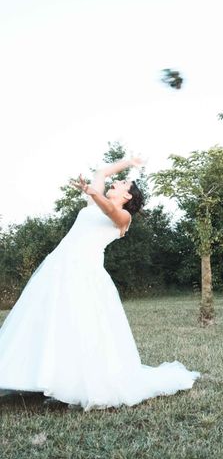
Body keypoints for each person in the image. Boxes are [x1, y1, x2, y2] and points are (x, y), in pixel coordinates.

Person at [0, 158, 199, 410]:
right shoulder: (94, 200)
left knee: (79, 324)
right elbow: (101, 171)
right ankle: (42, 378)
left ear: (127, 196)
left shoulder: (124, 217)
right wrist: (129, 161)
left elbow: (110, 212)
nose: (117, 181)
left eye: (123, 182)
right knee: (48, 320)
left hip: (85, 273)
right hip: (58, 267)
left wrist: (94, 193)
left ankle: (70, 383)